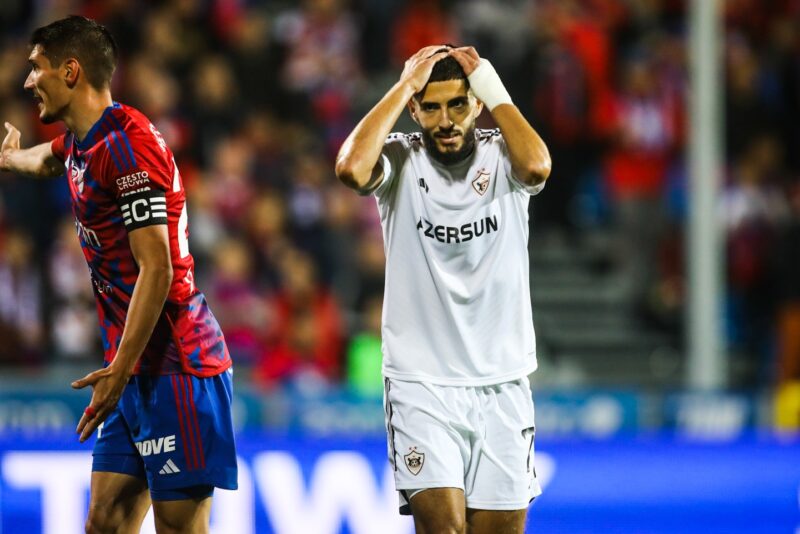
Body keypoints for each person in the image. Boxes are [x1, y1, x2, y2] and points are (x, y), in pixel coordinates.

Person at [0, 16, 236, 533]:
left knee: (179, 528)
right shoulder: (86, 141)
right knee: (105, 522)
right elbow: (49, 160)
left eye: (36, 68)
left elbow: (158, 267)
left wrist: (120, 371)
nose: (28, 81)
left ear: (70, 71)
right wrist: (10, 158)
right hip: (131, 368)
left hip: (177, 365)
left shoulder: (128, 148)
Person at [335, 45, 552, 534]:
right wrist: (404, 86)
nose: (446, 120)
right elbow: (350, 168)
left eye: (457, 104)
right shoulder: (400, 160)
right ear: (414, 110)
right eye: (430, 107)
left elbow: (538, 167)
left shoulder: (504, 156)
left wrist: (493, 89)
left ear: (476, 104)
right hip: (421, 383)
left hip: (502, 380)